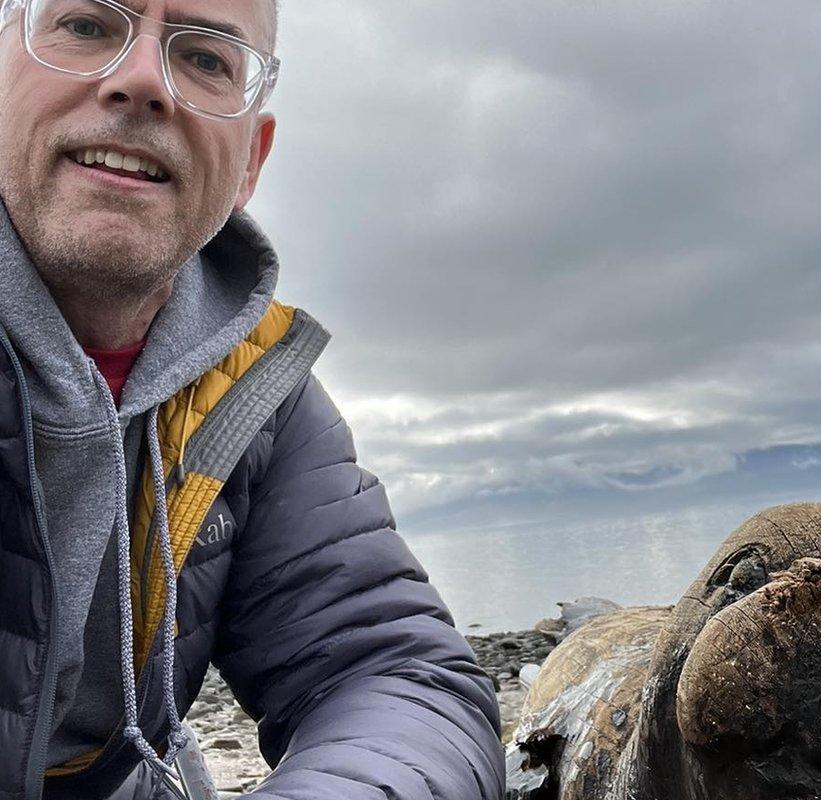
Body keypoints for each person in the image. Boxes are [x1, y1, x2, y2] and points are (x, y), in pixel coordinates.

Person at [0, 0, 505, 798]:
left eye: (205, 59)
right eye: (88, 24)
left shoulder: (254, 390)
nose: (140, 81)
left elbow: (386, 669)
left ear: (250, 164)